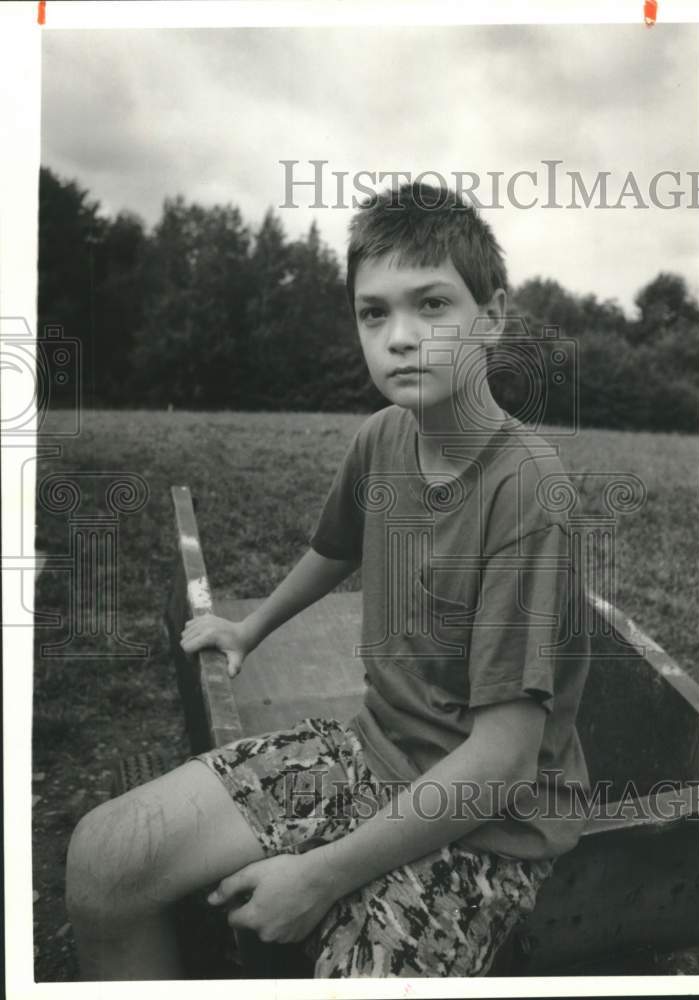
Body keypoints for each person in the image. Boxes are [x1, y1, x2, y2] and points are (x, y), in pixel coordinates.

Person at [65, 181, 590, 980]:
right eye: (374, 313)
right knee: (107, 857)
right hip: (373, 753)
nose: (400, 337)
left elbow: (500, 763)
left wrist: (317, 877)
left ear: (494, 315)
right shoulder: (384, 438)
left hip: (489, 827)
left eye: (432, 306)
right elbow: (336, 547)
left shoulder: (528, 497)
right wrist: (249, 628)